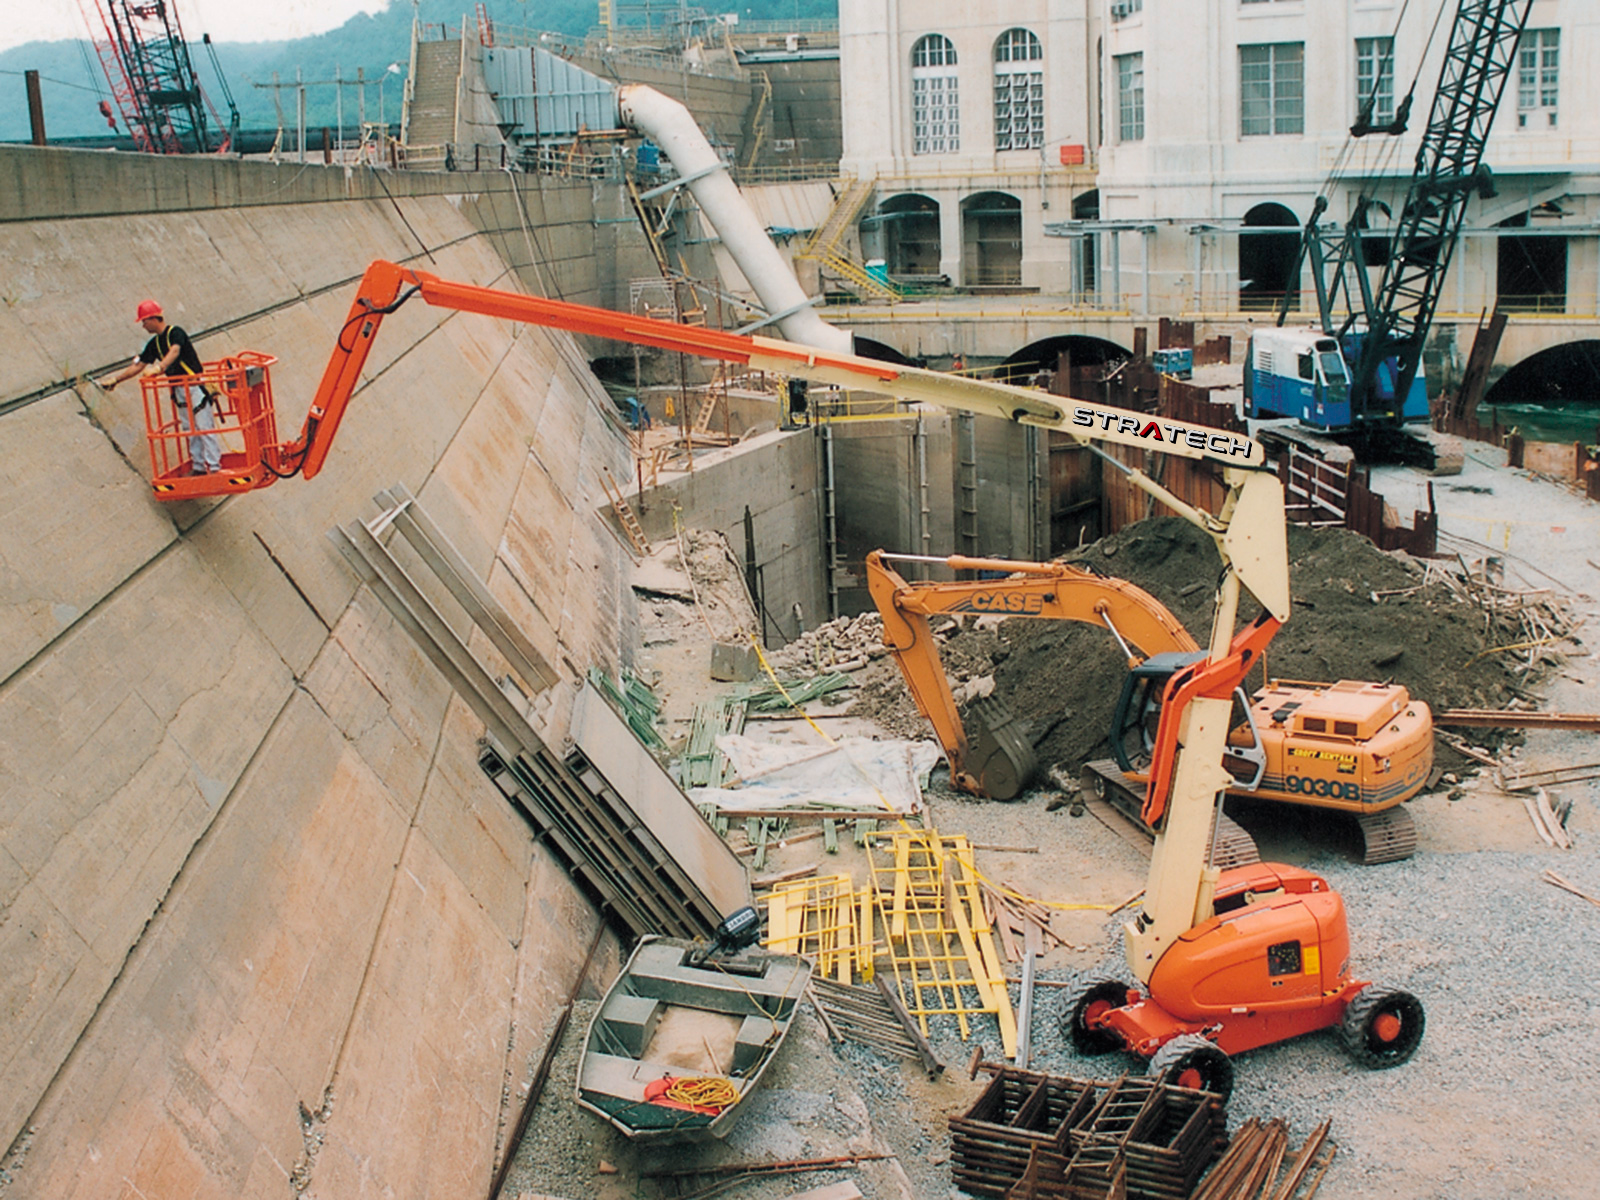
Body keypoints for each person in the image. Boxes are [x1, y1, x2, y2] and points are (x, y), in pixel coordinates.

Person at [99, 299, 222, 475]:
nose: (143, 325)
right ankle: (199, 466)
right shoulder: (155, 344)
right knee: (189, 429)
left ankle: (214, 467)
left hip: (195, 386)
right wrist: (116, 380)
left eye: (144, 321)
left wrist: (160, 367)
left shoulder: (176, 332)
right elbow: (139, 365)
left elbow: (175, 351)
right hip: (180, 389)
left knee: (204, 426)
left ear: (153, 318)